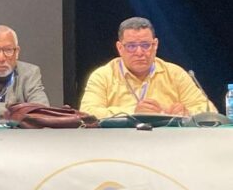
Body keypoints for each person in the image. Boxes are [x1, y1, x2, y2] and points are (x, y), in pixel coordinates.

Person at [80, 17, 216, 119]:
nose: (139, 52)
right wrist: (134, 112)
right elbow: (87, 114)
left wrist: (187, 113)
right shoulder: (103, 76)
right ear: (120, 48)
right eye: (131, 46)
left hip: (168, 141)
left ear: (155, 45)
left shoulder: (175, 74)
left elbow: (210, 111)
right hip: (120, 142)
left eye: (145, 45)